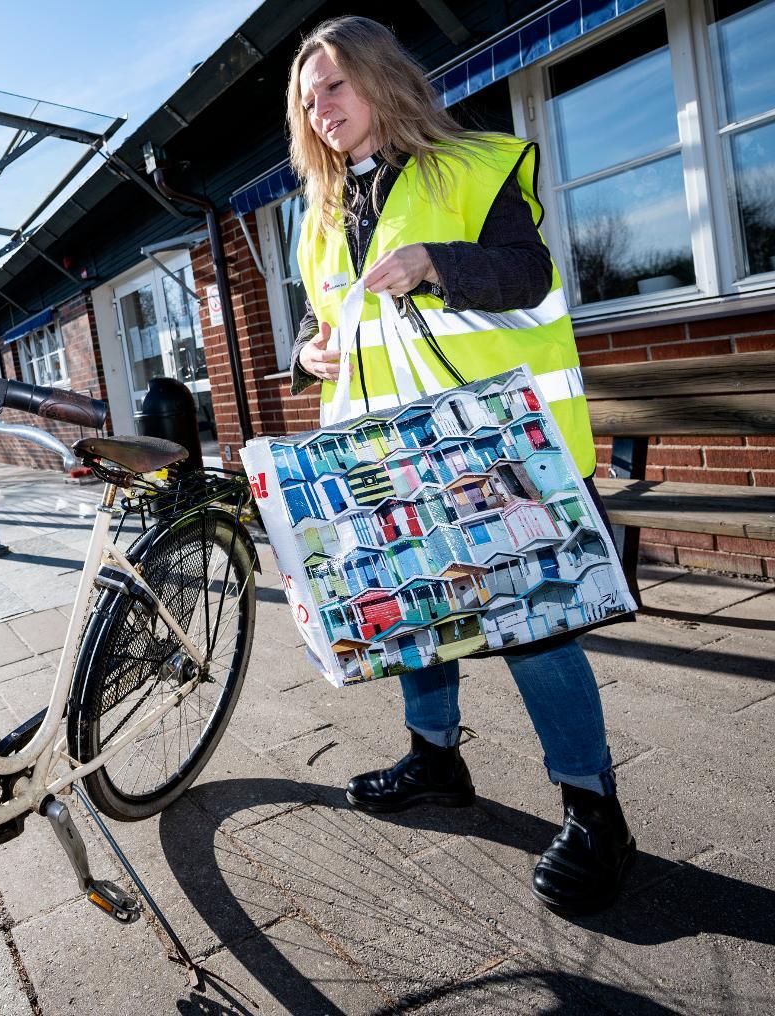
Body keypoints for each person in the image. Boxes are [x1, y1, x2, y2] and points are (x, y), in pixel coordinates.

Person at [285, 16, 635, 915]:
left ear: (380, 78)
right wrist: (306, 354)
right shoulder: (320, 216)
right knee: (413, 611)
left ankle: (594, 809)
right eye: (307, 97)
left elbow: (531, 275)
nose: (321, 109)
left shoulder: (474, 165)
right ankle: (436, 758)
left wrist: (436, 262)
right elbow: (328, 325)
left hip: (496, 451)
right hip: (387, 459)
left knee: (535, 626)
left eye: (334, 85)